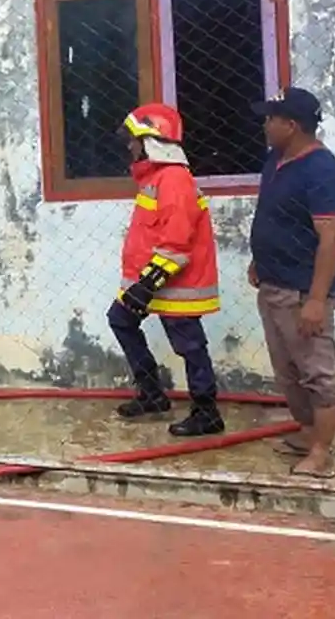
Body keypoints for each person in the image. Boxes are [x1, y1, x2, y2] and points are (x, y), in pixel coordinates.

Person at [248, 88, 335, 479]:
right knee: (287, 371)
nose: (265, 124)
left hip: (303, 291)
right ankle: (308, 435)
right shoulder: (276, 159)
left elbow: (330, 238)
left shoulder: (322, 171)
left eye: (271, 118)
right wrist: (261, 258)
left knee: (317, 373)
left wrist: (316, 301)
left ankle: (321, 454)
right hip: (274, 284)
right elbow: (276, 215)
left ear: (291, 125)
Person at [109, 103, 224, 436]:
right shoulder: (158, 178)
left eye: (134, 139)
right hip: (153, 280)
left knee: (189, 345)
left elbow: (176, 242)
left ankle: (207, 411)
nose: (130, 146)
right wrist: (142, 283)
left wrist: (147, 284)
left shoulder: (173, 180)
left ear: (151, 140)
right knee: (120, 319)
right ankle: (152, 394)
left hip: (176, 284)